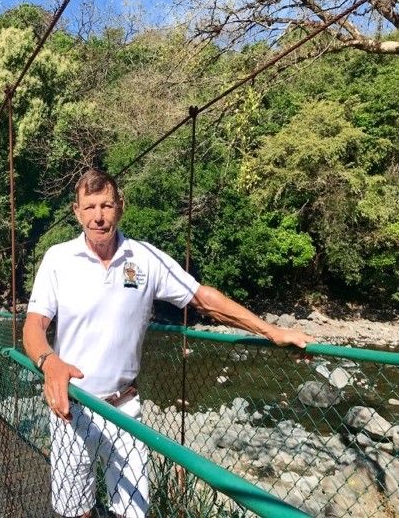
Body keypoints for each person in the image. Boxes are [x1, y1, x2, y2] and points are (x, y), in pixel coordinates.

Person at [23, 168, 313, 518]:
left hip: (124, 409)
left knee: (134, 512)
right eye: (89, 208)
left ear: (121, 207)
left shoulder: (145, 258)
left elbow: (202, 297)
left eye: (107, 206)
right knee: (76, 512)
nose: (98, 217)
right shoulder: (58, 259)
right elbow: (34, 325)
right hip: (72, 406)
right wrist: (48, 362)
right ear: (76, 212)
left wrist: (271, 331)